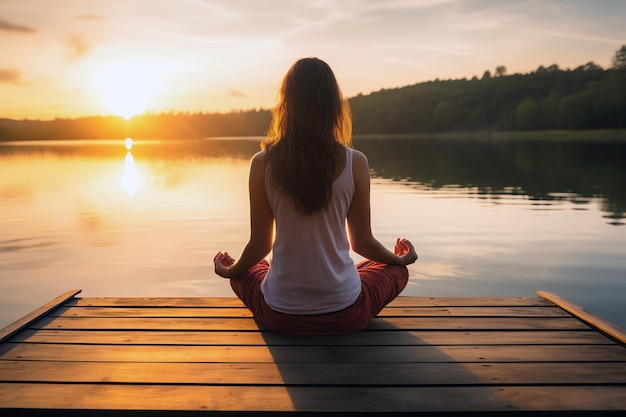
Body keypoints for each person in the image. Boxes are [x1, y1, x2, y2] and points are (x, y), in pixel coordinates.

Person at [214, 57, 417, 335]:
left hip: (279, 315)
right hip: (346, 313)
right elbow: (363, 242)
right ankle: (345, 282)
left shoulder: (262, 163)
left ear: (286, 105)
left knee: (249, 267)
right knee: (391, 269)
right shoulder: (355, 161)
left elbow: (261, 244)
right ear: (334, 106)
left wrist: (230, 270)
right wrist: (400, 260)